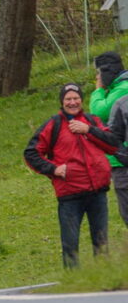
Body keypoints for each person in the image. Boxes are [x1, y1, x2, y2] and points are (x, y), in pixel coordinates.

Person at [24, 83, 120, 268]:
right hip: (70, 194)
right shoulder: (54, 125)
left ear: (81, 100)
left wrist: (88, 130)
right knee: (70, 244)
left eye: (76, 98)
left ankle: (104, 276)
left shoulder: (92, 121)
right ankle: (73, 280)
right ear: (62, 102)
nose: (72, 102)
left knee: (101, 242)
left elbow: (113, 144)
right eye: (68, 99)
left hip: (98, 192)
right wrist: (53, 169)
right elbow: (31, 153)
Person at [90, 51, 128, 227]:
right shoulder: (117, 88)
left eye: (98, 73)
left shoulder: (123, 89)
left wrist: (98, 89)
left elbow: (98, 111)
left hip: (123, 160)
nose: (97, 77)